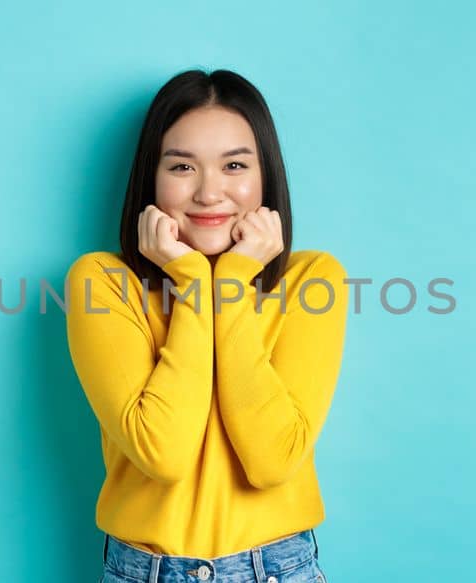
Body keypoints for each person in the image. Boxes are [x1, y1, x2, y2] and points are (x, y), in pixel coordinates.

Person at [65, 69, 347, 582]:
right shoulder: (102, 283)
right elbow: (163, 453)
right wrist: (195, 280)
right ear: (152, 177)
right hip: (145, 570)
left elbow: (272, 461)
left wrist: (233, 279)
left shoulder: (313, 279)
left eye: (235, 164)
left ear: (266, 177)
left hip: (278, 569)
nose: (209, 192)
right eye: (182, 167)